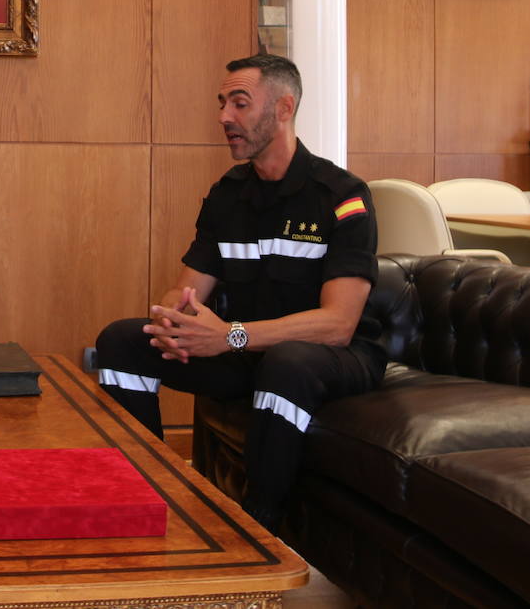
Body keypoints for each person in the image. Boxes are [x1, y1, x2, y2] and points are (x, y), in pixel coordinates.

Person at [94, 54, 383, 532]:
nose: (225, 117)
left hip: (332, 356)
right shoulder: (228, 194)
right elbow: (188, 288)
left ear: (284, 108)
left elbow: (338, 323)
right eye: (223, 103)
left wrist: (230, 335)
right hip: (248, 349)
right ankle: (142, 503)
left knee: (287, 362)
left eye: (240, 104)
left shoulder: (341, 195)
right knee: (123, 341)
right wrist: (173, 321)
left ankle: (259, 530)